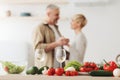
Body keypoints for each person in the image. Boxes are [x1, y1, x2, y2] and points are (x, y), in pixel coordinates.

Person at [33, 4, 69, 68]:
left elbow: (57, 48)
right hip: (46, 69)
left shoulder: (55, 27)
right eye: (56, 15)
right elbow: (38, 48)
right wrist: (57, 43)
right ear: (48, 14)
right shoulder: (40, 27)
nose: (59, 17)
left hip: (58, 68)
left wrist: (64, 44)